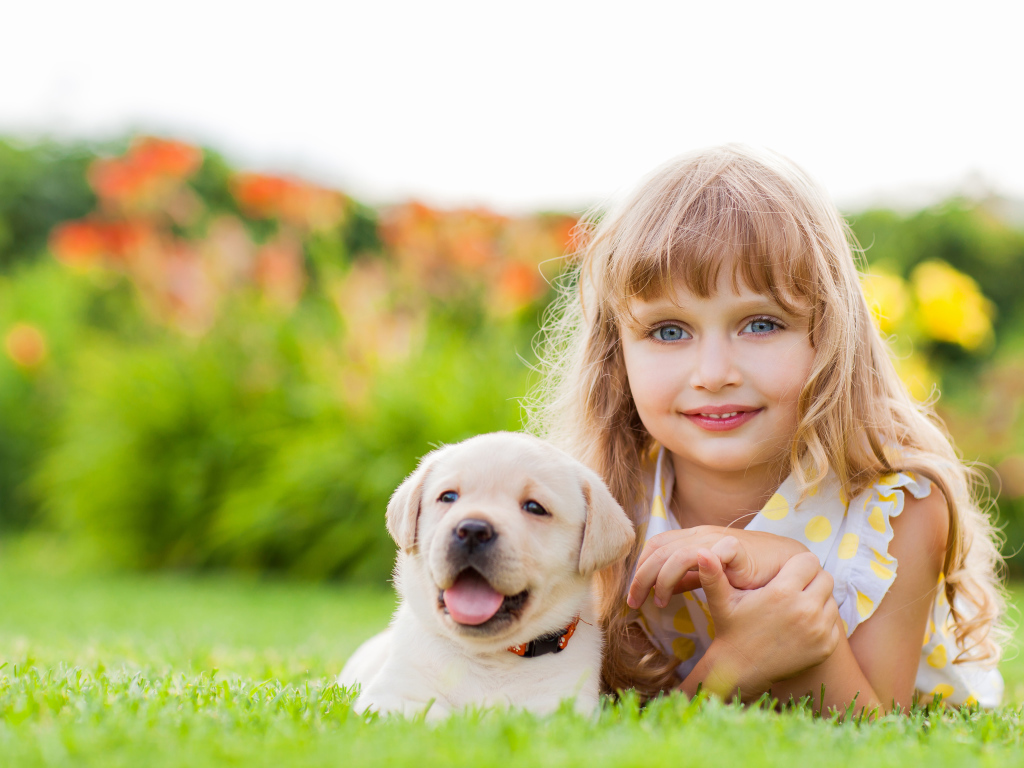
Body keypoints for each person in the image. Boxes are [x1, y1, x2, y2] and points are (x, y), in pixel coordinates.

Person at [528, 145, 1006, 714]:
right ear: (616, 355)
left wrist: (795, 610)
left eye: (760, 324)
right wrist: (739, 660)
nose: (713, 374)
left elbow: (877, 727)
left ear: (830, 334)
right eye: (669, 331)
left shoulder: (894, 508)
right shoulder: (608, 508)